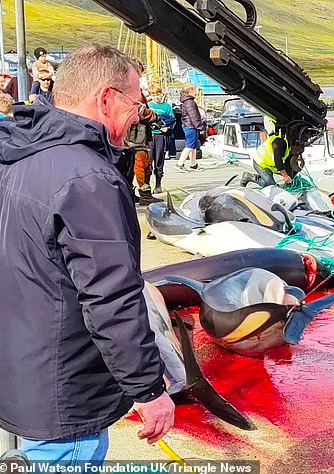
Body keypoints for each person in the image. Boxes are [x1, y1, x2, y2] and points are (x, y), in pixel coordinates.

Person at [0, 45, 175, 463]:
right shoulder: (89, 178)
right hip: (67, 392)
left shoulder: (19, 153)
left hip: (22, 369)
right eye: (136, 103)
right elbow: (111, 297)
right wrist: (148, 389)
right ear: (106, 99)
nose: (139, 114)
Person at [241, 123, 303, 188]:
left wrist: (290, 177)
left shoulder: (289, 144)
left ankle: (279, 184)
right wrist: (285, 176)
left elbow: (288, 162)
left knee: (276, 182)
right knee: (271, 186)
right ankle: (249, 176)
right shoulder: (280, 142)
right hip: (260, 163)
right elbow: (278, 159)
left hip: (271, 165)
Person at [148, 87, 175, 194]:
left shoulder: (167, 107)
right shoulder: (149, 106)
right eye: (153, 95)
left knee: (159, 159)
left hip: (160, 136)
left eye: (157, 94)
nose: (156, 97)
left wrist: (167, 128)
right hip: (149, 136)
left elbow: (172, 121)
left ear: (161, 94)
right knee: (148, 160)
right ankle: (147, 184)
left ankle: (158, 184)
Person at [175, 84, 202, 172]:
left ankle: (193, 164)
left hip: (189, 126)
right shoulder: (190, 102)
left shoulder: (186, 102)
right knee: (189, 146)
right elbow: (193, 116)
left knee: (193, 146)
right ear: (190, 91)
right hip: (191, 126)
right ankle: (179, 164)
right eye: (194, 91)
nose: (196, 93)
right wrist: (199, 126)